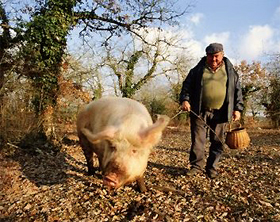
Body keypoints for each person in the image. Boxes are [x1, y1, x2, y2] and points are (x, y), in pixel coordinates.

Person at [179, 43, 244, 179]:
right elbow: (186, 87)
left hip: (221, 112)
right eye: (210, 56)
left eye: (216, 56)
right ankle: (196, 166)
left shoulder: (230, 71)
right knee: (198, 141)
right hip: (199, 111)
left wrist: (238, 109)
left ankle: (212, 168)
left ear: (222, 55)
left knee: (218, 141)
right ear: (206, 56)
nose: (213, 59)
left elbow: (237, 91)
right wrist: (185, 100)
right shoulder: (197, 70)